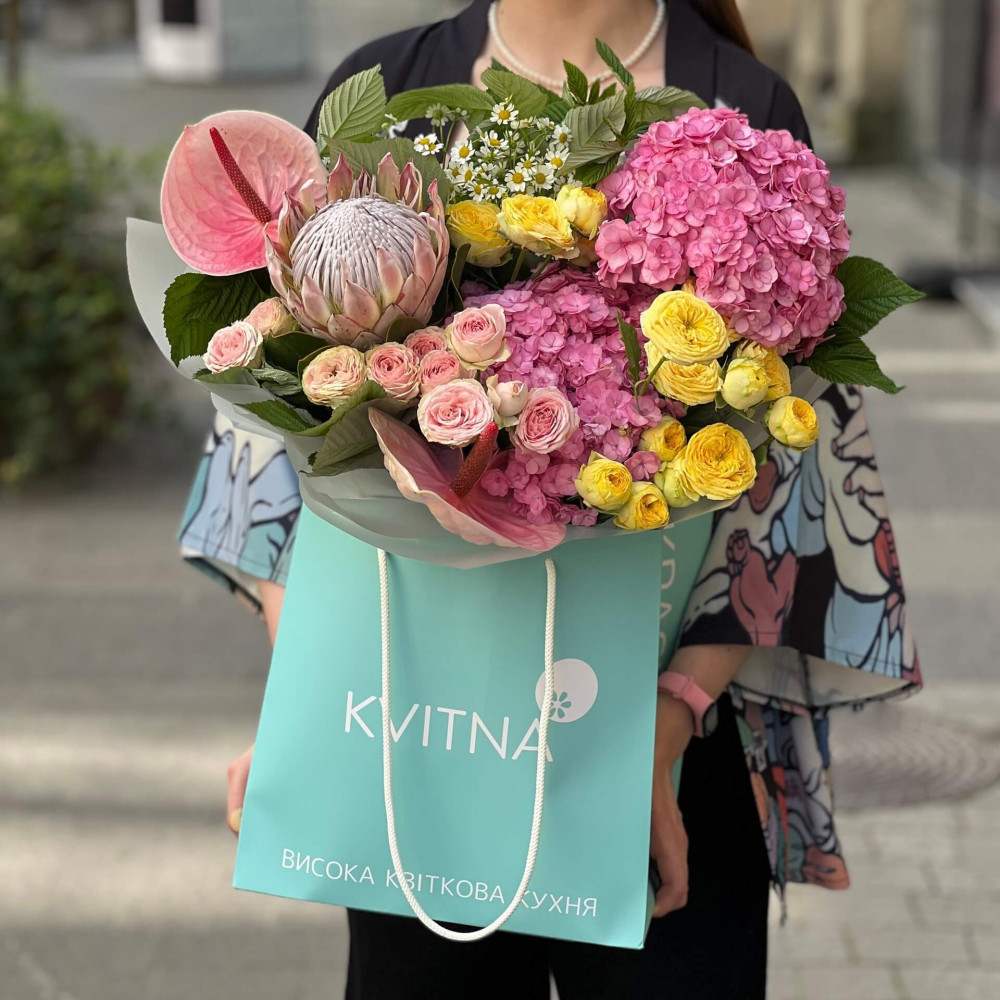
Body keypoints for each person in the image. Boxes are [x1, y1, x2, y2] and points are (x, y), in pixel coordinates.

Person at [179, 1, 921, 996]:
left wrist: (661, 735)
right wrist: (307, 702)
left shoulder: (741, 106)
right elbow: (274, 429)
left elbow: (782, 469)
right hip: (414, 733)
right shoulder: (388, 92)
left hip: (660, 752)